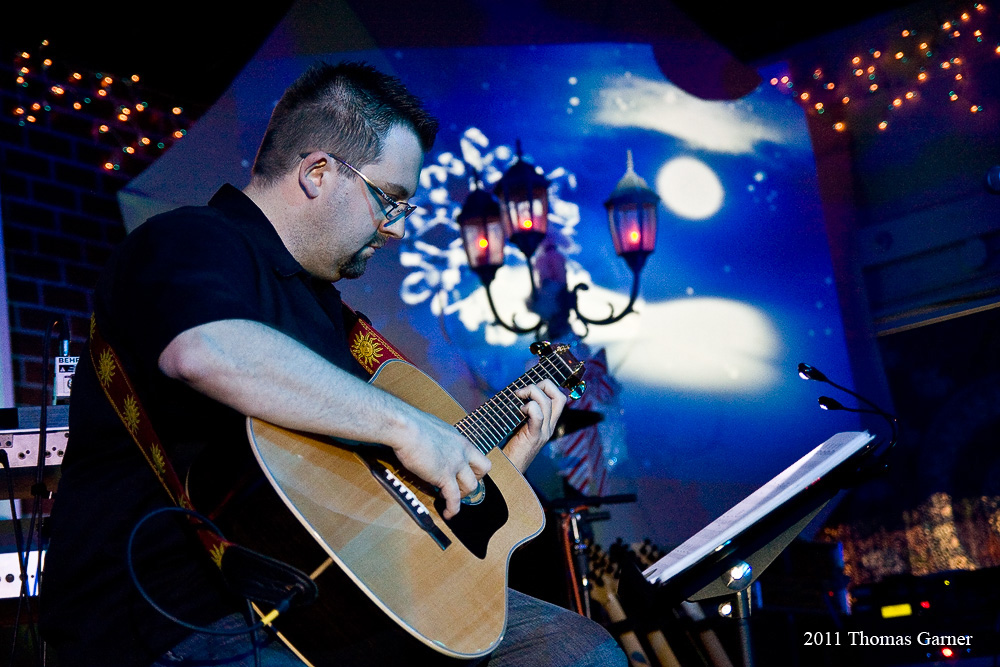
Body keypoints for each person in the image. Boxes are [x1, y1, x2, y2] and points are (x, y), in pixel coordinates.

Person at [39, 62, 626, 667]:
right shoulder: (191, 239)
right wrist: (407, 426)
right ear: (318, 173)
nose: (396, 231)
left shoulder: (334, 318)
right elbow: (206, 350)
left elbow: (372, 504)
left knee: (579, 651)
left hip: (323, 597)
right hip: (175, 615)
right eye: (390, 200)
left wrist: (487, 467)